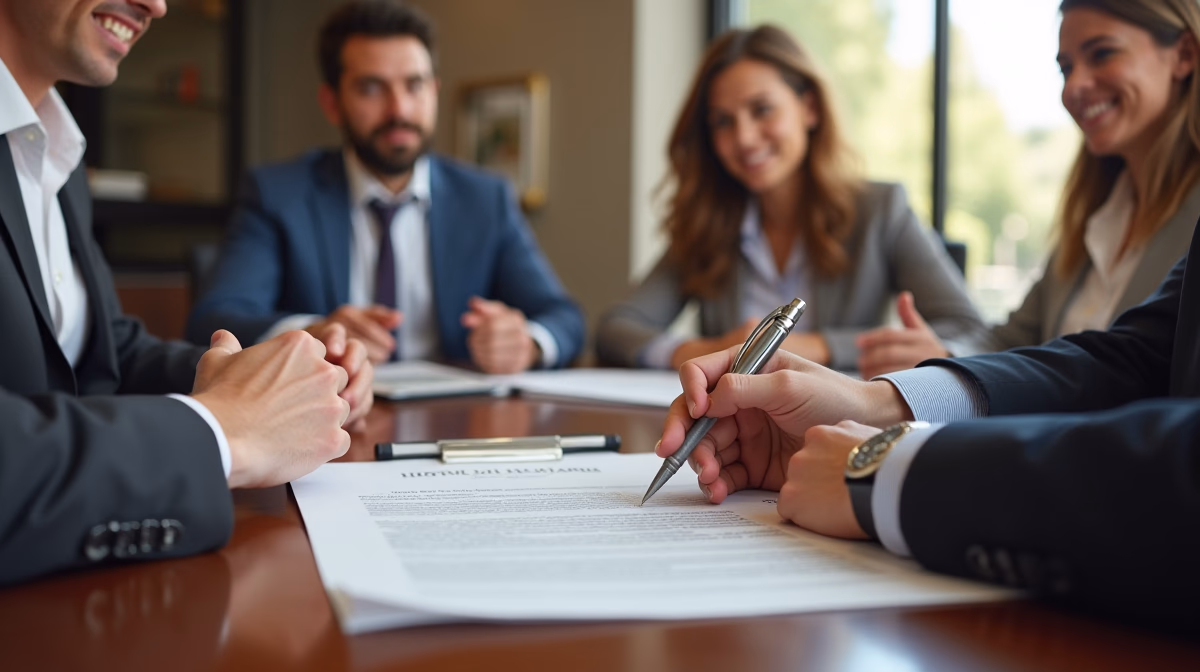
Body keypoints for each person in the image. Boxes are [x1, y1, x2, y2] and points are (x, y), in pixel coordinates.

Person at [0, 0, 374, 585]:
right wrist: (223, 431)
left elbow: (103, 354)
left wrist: (278, 383)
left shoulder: (54, 150)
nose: (156, 4)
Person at [186, 0, 584, 374]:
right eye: (372, 88)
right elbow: (216, 317)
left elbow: (564, 318)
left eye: (414, 85)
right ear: (331, 103)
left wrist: (527, 342)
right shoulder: (278, 194)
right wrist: (314, 332)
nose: (399, 110)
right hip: (329, 419)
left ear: (434, 91)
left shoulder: (485, 198)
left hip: (458, 419)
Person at [594, 25, 986, 371]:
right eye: (723, 122)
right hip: (734, 437)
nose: (744, 138)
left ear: (809, 108)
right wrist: (707, 349)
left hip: (842, 429)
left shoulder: (881, 210)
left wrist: (818, 347)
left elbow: (969, 330)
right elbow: (616, 330)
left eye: (762, 110)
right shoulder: (709, 220)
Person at [856, 0, 1200, 380]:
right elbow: (1012, 340)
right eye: (1066, 68)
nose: (1074, 87)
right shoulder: (1097, 216)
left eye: (1102, 54)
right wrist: (947, 354)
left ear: (1184, 55)